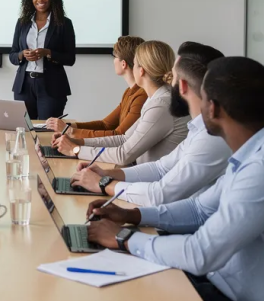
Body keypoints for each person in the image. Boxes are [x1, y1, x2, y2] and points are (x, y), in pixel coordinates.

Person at [68, 57, 264, 301]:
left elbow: (200, 253)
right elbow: (199, 209)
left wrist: (122, 238)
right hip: (227, 294)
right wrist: (132, 215)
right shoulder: (256, 153)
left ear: (213, 108)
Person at [69, 43, 231, 204]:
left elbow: (160, 193)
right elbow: (159, 168)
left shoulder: (208, 135)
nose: (169, 81)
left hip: (167, 205)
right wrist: (106, 174)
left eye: (172, 76)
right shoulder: (198, 128)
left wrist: (102, 182)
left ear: (182, 86)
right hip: (164, 202)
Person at [54, 40, 188, 165]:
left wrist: (75, 150)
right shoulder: (156, 98)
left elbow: (124, 155)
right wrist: (77, 142)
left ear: (141, 71)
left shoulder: (161, 104)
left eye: (134, 64)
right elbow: (123, 139)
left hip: (152, 181)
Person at [45, 36, 146, 138]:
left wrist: (70, 131)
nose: (113, 60)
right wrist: (68, 126)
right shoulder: (129, 92)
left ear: (123, 64)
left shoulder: (141, 95)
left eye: (114, 56)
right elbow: (105, 125)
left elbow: (119, 135)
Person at [9, 0, 76, 120]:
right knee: (25, 129)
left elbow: (70, 58)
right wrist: (22, 54)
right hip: (24, 85)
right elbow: (13, 55)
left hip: (51, 86)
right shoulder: (22, 23)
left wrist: (48, 53)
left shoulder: (64, 23)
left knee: (46, 131)